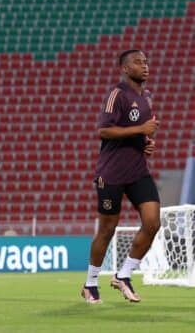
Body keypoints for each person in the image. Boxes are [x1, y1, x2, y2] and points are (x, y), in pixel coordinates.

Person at [81, 49, 160, 304]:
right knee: (107, 230)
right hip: (111, 174)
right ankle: (90, 283)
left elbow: (142, 133)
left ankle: (123, 275)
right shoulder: (116, 95)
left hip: (138, 171)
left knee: (152, 223)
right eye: (138, 62)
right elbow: (104, 130)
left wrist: (146, 142)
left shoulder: (146, 97)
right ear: (125, 69)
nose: (145, 66)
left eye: (146, 62)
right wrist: (140, 129)